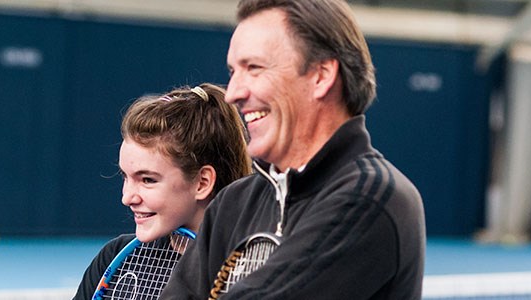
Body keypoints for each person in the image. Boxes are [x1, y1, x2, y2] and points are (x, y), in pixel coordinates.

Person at [160, 0, 426, 299]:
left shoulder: (373, 199)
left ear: (321, 76)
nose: (233, 93)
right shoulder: (233, 202)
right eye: (234, 71)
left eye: (254, 68)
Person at [72, 83, 252, 300]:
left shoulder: (254, 271)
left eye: (147, 180)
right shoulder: (114, 259)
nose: (127, 197)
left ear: (202, 183)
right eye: (125, 177)